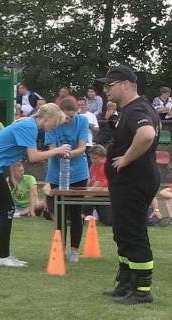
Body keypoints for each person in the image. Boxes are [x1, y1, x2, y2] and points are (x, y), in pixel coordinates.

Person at [0, 103, 70, 267]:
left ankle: (5, 255)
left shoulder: (27, 123)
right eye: (55, 122)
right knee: (8, 209)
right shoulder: (28, 126)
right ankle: (3, 257)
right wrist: (56, 150)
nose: (54, 127)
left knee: (7, 209)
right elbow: (33, 157)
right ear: (47, 117)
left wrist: (11, 176)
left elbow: (8, 150)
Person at [97, 65, 160, 304]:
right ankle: (126, 283)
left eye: (109, 85)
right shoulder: (133, 109)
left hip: (134, 179)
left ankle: (142, 290)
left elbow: (146, 135)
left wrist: (126, 158)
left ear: (125, 84)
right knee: (122, 231)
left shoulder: (136, 110)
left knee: (133, 233)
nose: (105, 90)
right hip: (129, 181)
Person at [44, 98, 89, 263]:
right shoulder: (52, 123)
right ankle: (60, 249)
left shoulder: (82, 121)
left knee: (76, 212)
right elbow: (51, 148)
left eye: (72, 117)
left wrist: (69, 154)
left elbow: (83, 147)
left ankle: (74, 250)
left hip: (78, 172)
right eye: (66, 118)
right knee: (60, 213)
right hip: (57, 172)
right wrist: (60, 152)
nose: (69, 120)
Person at [83, 145, 112, 226]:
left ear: (102, 157)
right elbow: (89, 180)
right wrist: (83, 190)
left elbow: (96, 187)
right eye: (91, 158)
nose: (92, 160)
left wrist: (84, 195)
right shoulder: (94, 166)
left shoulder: (104, 166)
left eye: (95, 158)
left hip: (105, 194)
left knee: (86, 200)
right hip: (98, 193)